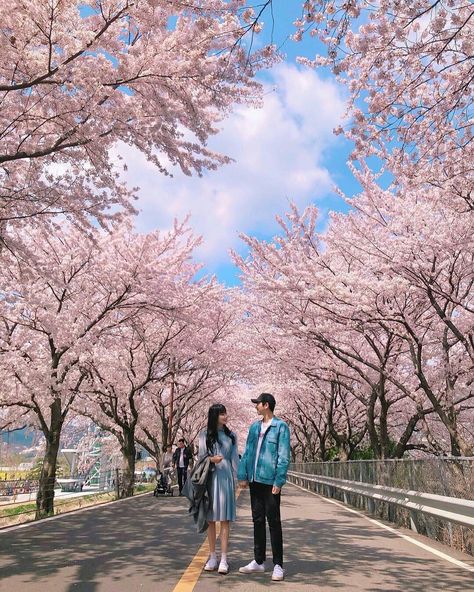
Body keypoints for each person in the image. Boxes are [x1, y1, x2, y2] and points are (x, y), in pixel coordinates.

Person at [237, 393, 291, 582]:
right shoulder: (254, 427)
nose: (255, 407)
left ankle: (278, 565)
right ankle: (259, 561)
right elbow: (247, 451)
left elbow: (283, 456)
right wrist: (242, 475)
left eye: (257, 404)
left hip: (270, 481)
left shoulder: (281, 427)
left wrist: (279, 480)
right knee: (257, 519)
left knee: (273, 522)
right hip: (254, 480)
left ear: (266, 405)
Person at [199, 403, 239, 575]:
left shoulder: (232, 436)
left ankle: (224, 558)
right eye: (221, 414)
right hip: (210, 479)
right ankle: (212, 556)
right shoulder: (204, 435)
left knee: (224, 520)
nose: (225, 416)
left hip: (226, 479)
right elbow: (201, 458)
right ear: (214, 416)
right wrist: (211, 459)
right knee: (210, 519)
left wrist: (239, 479)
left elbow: (235, 459)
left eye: (225, 413)